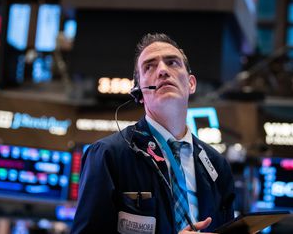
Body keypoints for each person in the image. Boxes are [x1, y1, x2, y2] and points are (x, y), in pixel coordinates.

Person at [71, 33, 235, 234]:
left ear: (191, 84)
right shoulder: (108, 155)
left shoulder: (217, 166)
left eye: (172, 62)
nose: (163, 70)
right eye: (149, 66)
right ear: (138, 93)